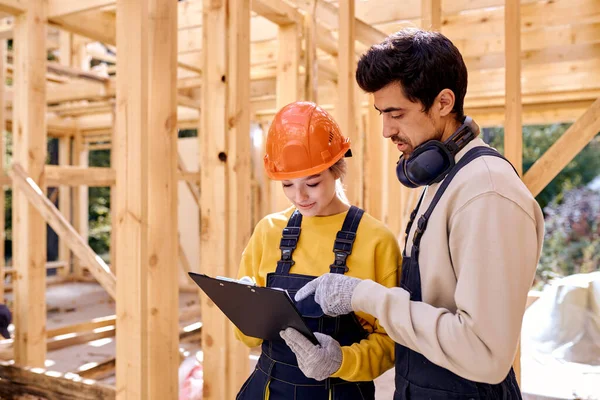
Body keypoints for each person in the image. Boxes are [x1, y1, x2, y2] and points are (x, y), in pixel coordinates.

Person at [284, 29, 545, 399]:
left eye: (396, 113)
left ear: (443, 102)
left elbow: (485, 354)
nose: (386, 129)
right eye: (381, 113)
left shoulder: (486, 192)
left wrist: (365, 295)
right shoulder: (441, 180)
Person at [234, 101, 401, 399]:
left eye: (312, 182)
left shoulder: (376, 240)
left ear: (337, 168)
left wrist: (341, 361)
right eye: (287, 185)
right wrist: (244, 313)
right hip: (268, 388)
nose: (299, 196)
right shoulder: (268, 231)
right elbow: (248, 340)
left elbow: (392, 343)